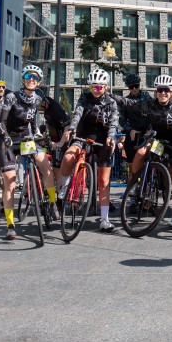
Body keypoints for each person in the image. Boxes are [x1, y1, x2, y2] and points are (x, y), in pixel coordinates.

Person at [112, 74, 172, 228]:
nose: (162, 93)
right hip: (157, 140)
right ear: (156, 91)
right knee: (140, 153)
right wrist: (108, 94)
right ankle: (136, 183)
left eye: (166, 90)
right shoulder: (149, 104)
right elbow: (127, 102)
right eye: (160, 89)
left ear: (171, 91)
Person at [0, 64, 58, 239]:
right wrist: (6, 137)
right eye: (28, 77)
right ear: (23, 79)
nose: (31, 80)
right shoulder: (11, 97)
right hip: (9, 140)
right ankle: (10, 224)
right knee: (10, 181)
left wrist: (39, 134)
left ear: (39, 82)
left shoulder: (38, 99)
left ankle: (53, 203)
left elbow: (32, 121)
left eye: (35, 78)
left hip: (26, 140)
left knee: (45, 165)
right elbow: (1, 122)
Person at [60, 68, 119, 233]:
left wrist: (110, 137)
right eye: (93, 86)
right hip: (83, 137)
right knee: (68, 157)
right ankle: (64, 187)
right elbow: (77, 114)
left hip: (102, 140)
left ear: (106, 87)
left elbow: (114, 122)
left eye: (99, 87)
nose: (95, 89)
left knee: (104, 181)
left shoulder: (111, 103)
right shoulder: (84, 97)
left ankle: (105, 220)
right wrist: (72, 129)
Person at [119, 72, 151, 166]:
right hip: (132, 135)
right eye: (131, 87)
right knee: (132, 166)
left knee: (150, 162)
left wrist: (150, 129)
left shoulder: (147, 98)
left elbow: (154, 115)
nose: (134, 89)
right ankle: (132, 180)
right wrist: (130, 130)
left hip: (147, 134)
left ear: (139, 85)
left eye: (136, 86)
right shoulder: (126, 101)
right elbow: (121, 119)